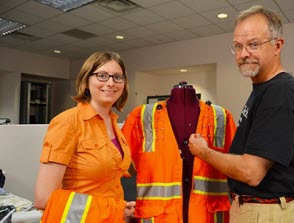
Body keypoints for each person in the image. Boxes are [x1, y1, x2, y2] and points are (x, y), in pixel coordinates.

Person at [188, 5, 294, 223]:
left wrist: (204, 152)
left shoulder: (279, 92)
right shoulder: (264, 90)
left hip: (264, 213)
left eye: (253, 44)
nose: (244, 54)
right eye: (238, 46)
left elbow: (251, 172)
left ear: (277, 45)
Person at [34, 51, 136, 223]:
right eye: (102, 76)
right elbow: (44, 199)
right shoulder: (68, 122)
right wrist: (114, 210)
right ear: (86, 81)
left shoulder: (113, 123)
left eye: (118, 77)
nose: (111, 83)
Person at [121, 81, 236, 223]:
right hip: (159, 217)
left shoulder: (222, 117)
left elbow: (237, 169)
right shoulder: (141, 116)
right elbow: (118, 169)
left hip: (208, 216)